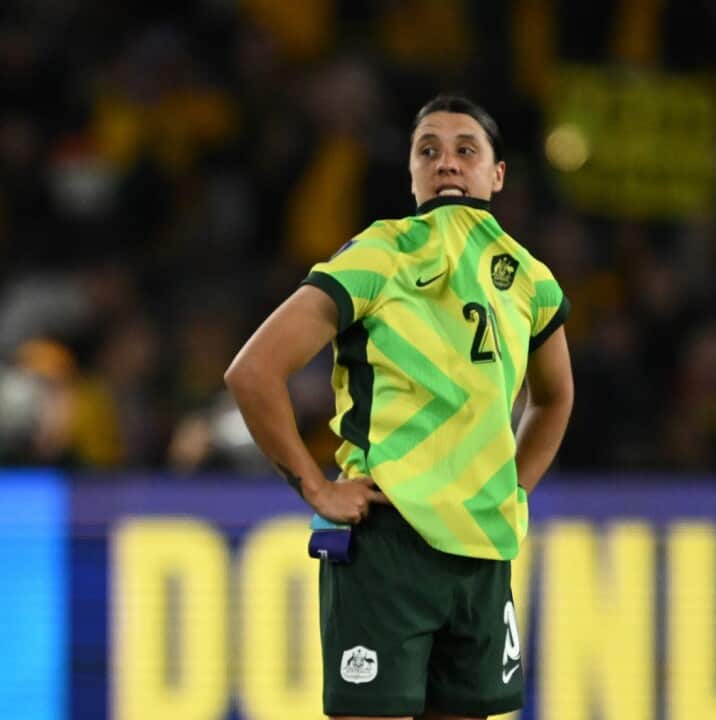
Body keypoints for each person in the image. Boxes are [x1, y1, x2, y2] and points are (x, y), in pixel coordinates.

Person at [225, 94, 574, 720]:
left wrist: (514, 487)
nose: (447, 162)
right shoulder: (378, 255)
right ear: (411, 176)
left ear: (497, 176)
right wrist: (314, 487)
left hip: (483, 555)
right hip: (388, 545)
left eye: (466, 149)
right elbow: (252, 372)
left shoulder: (531, 279)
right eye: (428, 150)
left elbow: (555, 397)